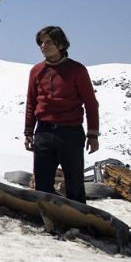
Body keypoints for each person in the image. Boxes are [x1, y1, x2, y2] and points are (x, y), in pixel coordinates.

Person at [25, 25, 100, 203]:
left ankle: (78, 226)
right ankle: (48, 223)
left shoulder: (77, 70)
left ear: (60, 45)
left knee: (74, 184)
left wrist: (93, 134)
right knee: (42, 184)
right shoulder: (36, 71)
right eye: (41, 43)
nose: (44, 46)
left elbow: (91, 103)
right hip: (43, 132)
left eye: (49, 42)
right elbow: (31, 102)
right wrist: (28, 132)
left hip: (70, 133)